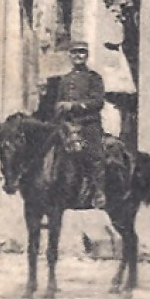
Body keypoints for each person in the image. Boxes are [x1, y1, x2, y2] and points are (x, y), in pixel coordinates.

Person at [51, 40, 107, 209]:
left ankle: (99, 192)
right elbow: (59, 100)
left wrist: (74, 106)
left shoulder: (94, 78)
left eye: (81, 52)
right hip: (67, 125)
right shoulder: (64, 80)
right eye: (74, 52)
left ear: (87, 55)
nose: (78, 56)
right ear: (69, 55)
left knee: (95, 156)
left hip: (88, 123)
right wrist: (59, 107)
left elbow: (98, 102)